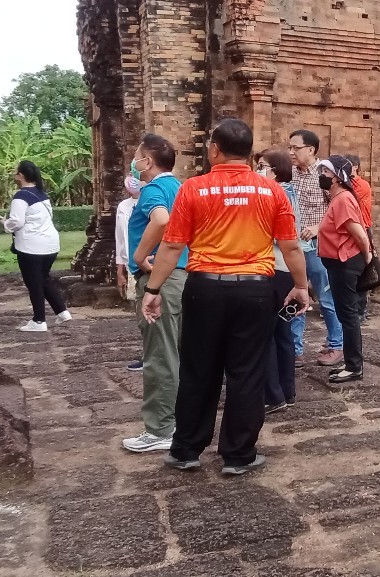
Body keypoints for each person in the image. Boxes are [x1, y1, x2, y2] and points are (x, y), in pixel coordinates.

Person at [144, 119, 310, 475]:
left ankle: (186, 449)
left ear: (215, 149)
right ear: (248, 153)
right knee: (247, 372)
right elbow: (291, 246)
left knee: (197, 369)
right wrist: (301, 285)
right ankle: (238, 454)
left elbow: (171, 246)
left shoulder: (193, 188)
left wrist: (153, 289)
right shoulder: (272, 191)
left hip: (204, 288)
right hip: (255, 290)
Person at [121, 134, 188, 454]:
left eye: (137, 157)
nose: (134, 163)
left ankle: (160, 429)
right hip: (186, 276)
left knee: (160, 355)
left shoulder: (153, 189)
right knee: (179, 353)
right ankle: (178, 421)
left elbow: (161, 220)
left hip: (162, 278)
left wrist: (139, 256)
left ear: (147, 162)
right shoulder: (182, 188)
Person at [316, 155, 373, 384]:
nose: (322, 176)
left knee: (348, 316)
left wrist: (367, 258)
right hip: (340, 264)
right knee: (346, 315)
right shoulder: (338, 198)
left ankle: (354, 366)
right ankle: (351, 362)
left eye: (326, 172)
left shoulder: (342, 200)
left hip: (345, 263)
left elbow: (359, 233)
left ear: (338, 177)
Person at [290, 130, 344, 367]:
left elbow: (337, 208)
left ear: (311, 149)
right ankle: (295, 349)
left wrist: (317, 227)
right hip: (293, 247)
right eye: (289, 148)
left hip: (317, 247)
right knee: (295, 295)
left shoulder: (324, 175)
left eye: (296, 148)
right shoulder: (290, 174)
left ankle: (336, 345)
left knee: (326, 297)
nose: (291, 152)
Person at [0, 160, 70, 332]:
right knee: (43, 278)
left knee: (33, 282)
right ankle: (62, 312)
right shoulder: (42, 194)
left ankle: (39, 321)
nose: (14, 174)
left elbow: (17, 222)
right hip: (50, 244)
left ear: (21, 175)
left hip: (32, 246)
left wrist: (6, 223)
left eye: (16, 172)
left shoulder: (21, 196)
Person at [256, 149, 300, 414]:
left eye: (262, 166)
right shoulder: (291, 193)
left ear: (276, 170)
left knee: (266, 334)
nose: (258, 171)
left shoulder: (274, 195)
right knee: (283, 332)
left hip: (273, 267)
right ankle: (287, 390)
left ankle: (273, 395)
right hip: (287, 270)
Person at [117, 175, 144, 372]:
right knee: (140, 312)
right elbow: (121, 239)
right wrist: (120, 269)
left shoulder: (152, 201)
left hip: (150, 262)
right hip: (132, 263)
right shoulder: (123, 207)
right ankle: (148, 353)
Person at [349, 155, 374, 323]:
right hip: (348, 229)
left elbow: (348, 197)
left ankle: (360, 310)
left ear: (355, 167)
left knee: (363, 270)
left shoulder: (362, 185)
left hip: (363, 229)